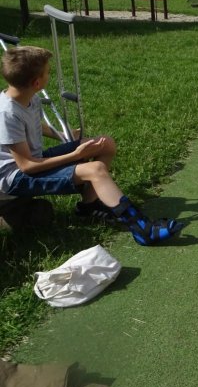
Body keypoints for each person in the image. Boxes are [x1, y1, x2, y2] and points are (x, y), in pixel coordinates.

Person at [0, 46, 184, 245]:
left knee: (105, 144)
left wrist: (65, 134)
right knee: (95, 170)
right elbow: (27, 166)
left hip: (34, 161)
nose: (49, 75)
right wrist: (75, 155)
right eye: (48, 72)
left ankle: (89, 206)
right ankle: (142, 229)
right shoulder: (7, 113)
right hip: (14, 179)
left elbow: (34, 126)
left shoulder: (30, 97)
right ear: (37, 83)